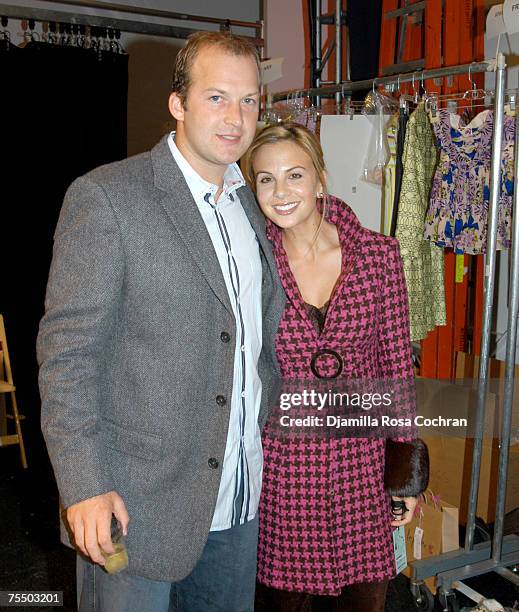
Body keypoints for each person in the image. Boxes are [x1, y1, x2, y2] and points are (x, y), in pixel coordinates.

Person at [37, 31, 285, 612]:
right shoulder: (108, 198)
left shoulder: (251, 206)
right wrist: (84, 485)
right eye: (217, 98)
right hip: (134, 505)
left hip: (236, 500)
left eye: (249, 100)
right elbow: (69, 353)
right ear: (178, 103)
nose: (236, 118)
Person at [242, 123, 429, 612]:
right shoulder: (250, 260)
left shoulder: (378, 257)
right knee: (281, 601)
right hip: (283, 467)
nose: (280, 192)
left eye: (294, 175)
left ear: (320, 179)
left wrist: (404, 473)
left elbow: (396, 369)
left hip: (361, 469)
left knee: (363, 600)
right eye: (265, 179)